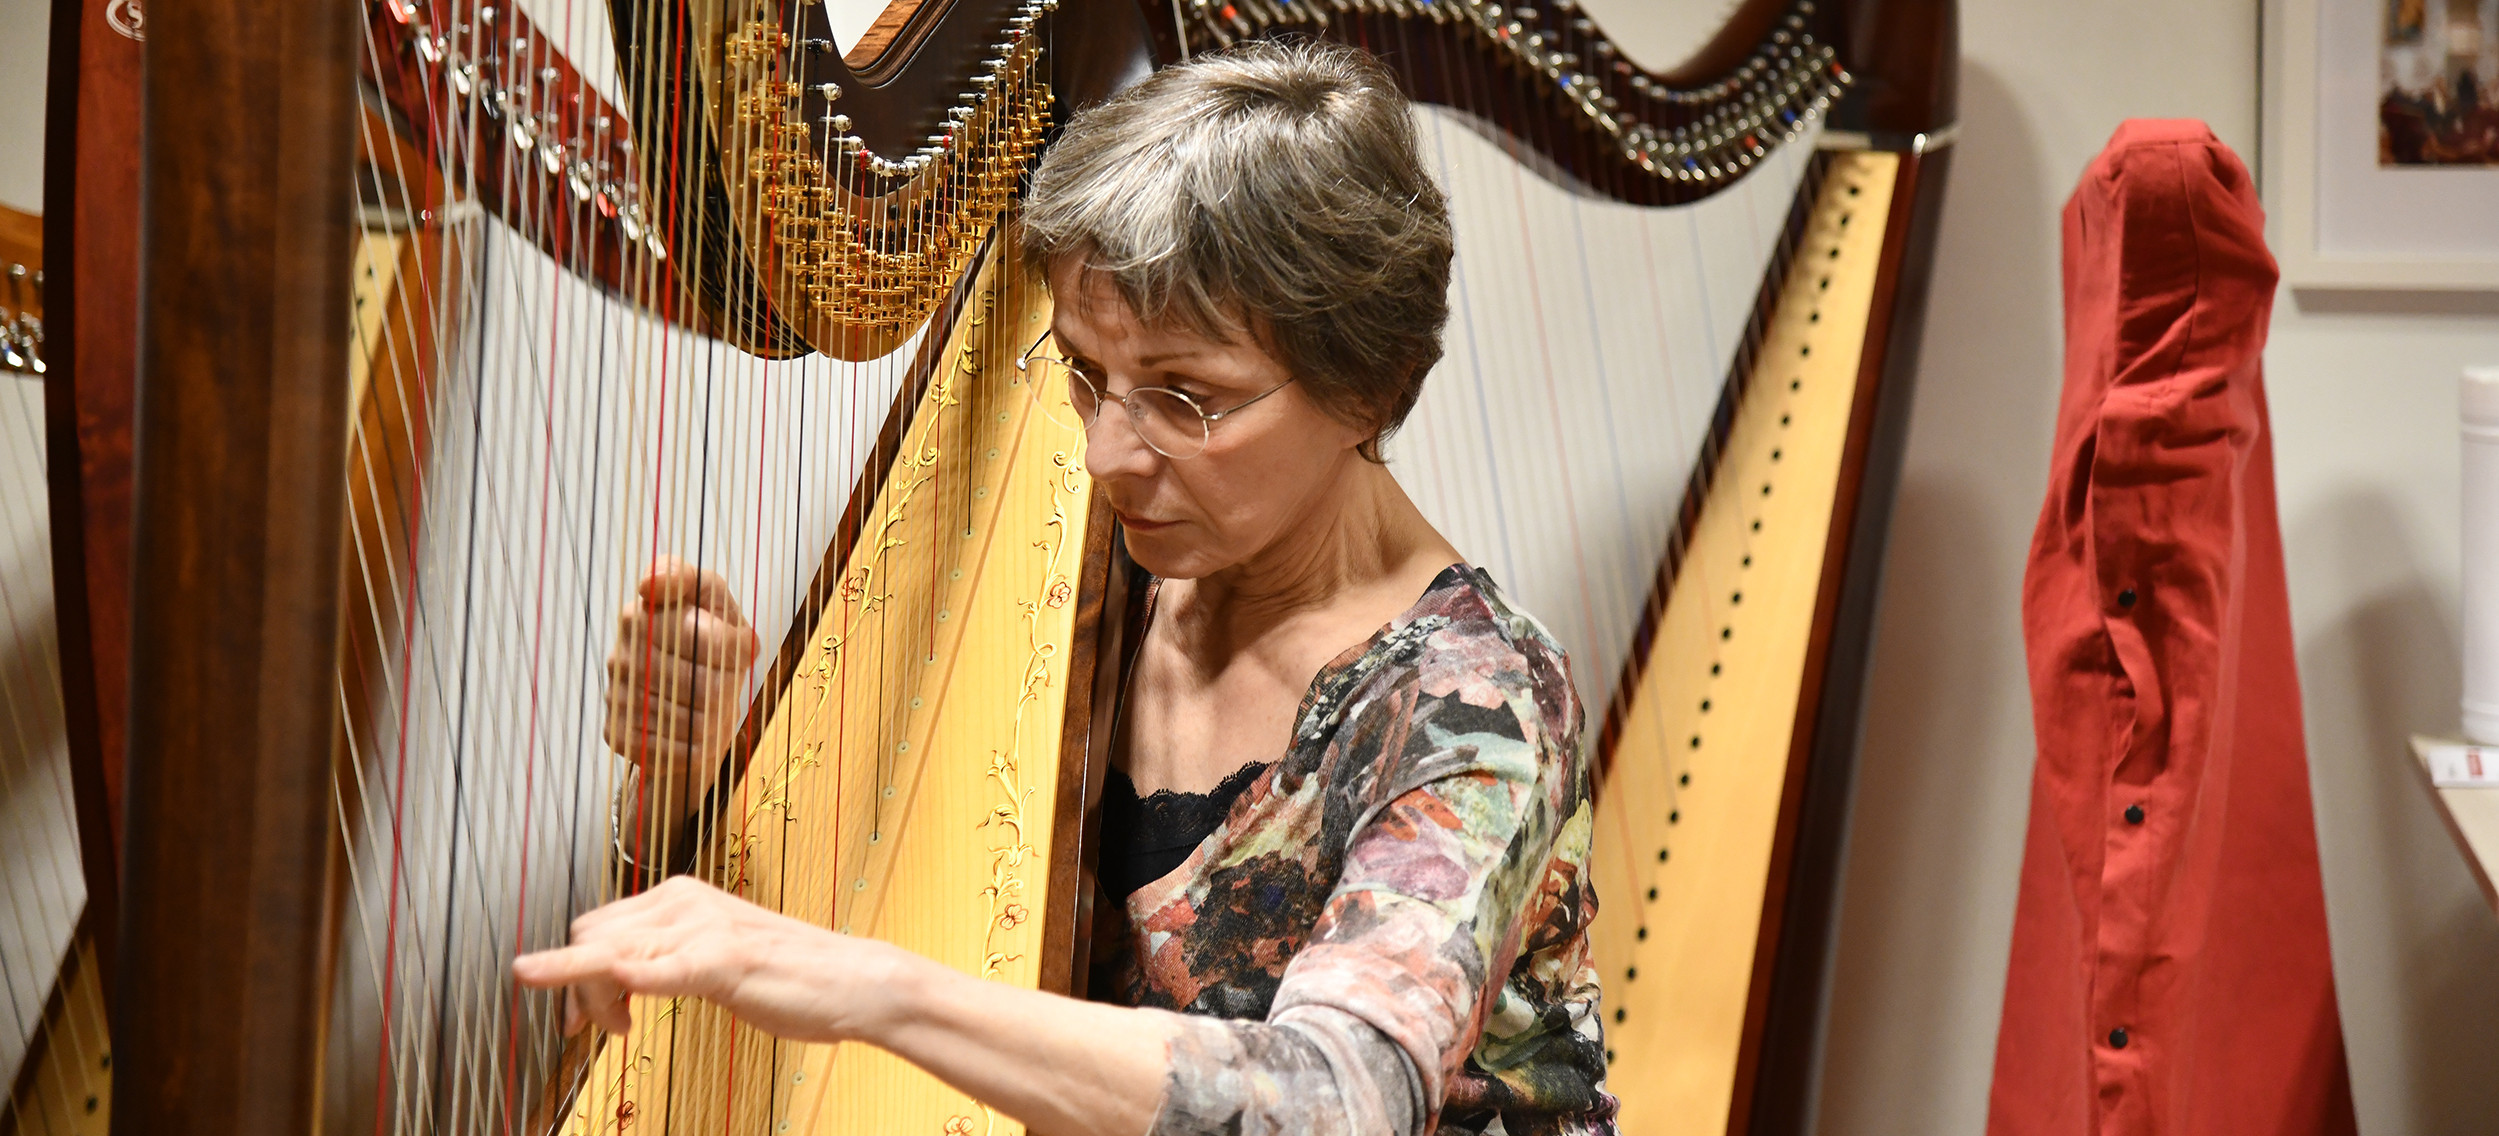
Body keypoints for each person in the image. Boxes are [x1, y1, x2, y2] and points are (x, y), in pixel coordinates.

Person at [514, 40, 1617, 1136]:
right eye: (1087, 375)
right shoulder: (1098, 567)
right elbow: (841, 910)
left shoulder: (1478, 708)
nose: (1104, 454)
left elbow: (1338, 1098)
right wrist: (695, 770)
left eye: (1187, 399)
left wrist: (878, 987)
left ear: (1366, 384)